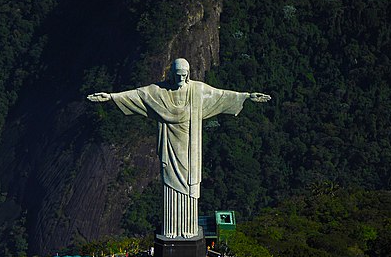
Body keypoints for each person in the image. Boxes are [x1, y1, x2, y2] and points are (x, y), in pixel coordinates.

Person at [87, 58, 270, 238]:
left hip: (190, 150)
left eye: (184, 75)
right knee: (170, 186)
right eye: (177, 75)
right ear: (171, 75)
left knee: (189, 188)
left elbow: (221, 95)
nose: (181, 79)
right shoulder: (159, 92)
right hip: (170, 147)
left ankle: (188, 230)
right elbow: (137, 95)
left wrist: (247, 96)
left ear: (188, 74)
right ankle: (171, 230)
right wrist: (111, 97)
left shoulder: (198, 90)